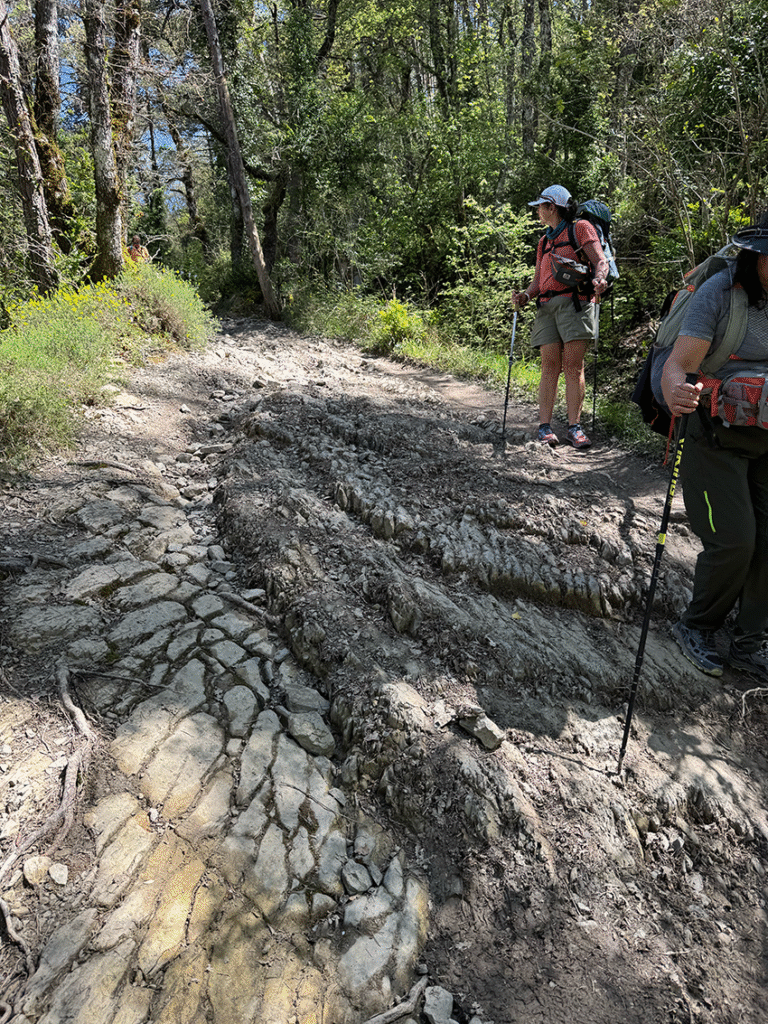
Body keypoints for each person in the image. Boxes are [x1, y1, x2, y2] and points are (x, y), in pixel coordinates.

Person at [662, 214, 768, 680]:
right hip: (713, 433)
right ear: (757, 254)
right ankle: (698, 625)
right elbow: (678, 364)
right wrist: (675, 392)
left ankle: (749, 641)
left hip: (764, 435)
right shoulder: (720, 294)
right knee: (735, 540)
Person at [512, 185, 609, 449]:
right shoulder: (543, 241)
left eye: (540, 208)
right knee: (549, 366)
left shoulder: (580, 229)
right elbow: (538, 281)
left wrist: (600, 279)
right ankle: (545, 427)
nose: (538, 213)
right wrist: (525, 296)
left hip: (575, 303)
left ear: (552, 207)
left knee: (573, 366)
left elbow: (600, 260)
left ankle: (574, 427)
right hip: (546, 308)